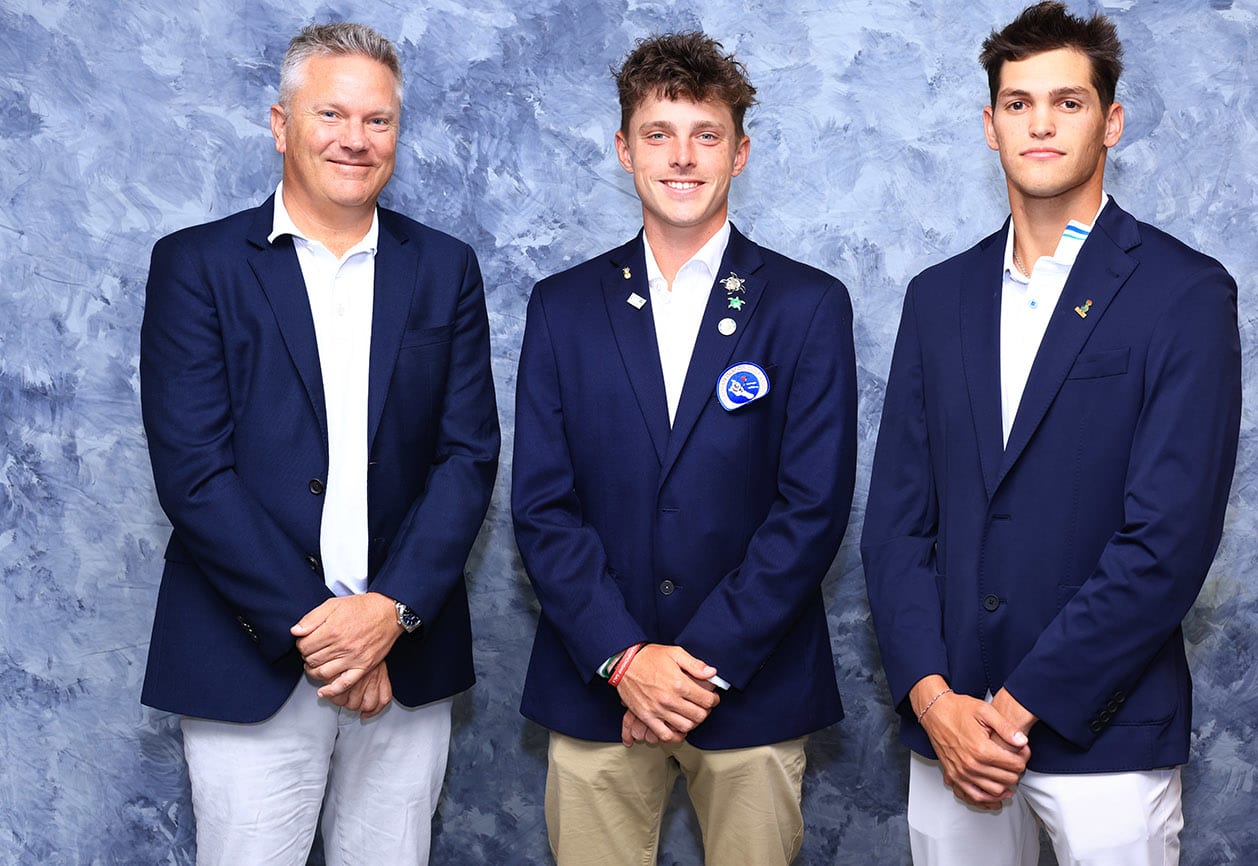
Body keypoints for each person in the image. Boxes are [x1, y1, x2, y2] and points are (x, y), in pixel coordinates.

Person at [862, 3, 1242, 864]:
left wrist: (1018, 703)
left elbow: (1169, 541)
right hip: (950, 732)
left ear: (1110, 121)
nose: (1040, 123)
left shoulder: (1184, 294)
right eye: (1018, 103)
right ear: (989, 125)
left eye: (1067, 103)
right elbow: (896, 527)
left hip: (1102, 733)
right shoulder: (937, 298)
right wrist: (934, 701)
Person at [138, 22, 499, 865]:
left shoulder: (444, 268)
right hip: (247, 654)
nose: (355, 139)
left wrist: (387, 614)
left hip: (405, 655)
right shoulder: (196, 265)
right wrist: (325, 633)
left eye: (378, 120)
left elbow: (466, 457)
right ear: (280, 124)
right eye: (331, 114)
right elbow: (194, 473)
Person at [511, 31, 856, 866]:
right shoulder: (562, 306)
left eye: (706, 135)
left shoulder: (807, 306)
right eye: (658, 134)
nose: (682, 157)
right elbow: (542, 507)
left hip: (752, 688)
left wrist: (695, 667)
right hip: (598, 682)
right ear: (624, 148)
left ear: (740, 153)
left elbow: (812, 509)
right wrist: (626, 660)